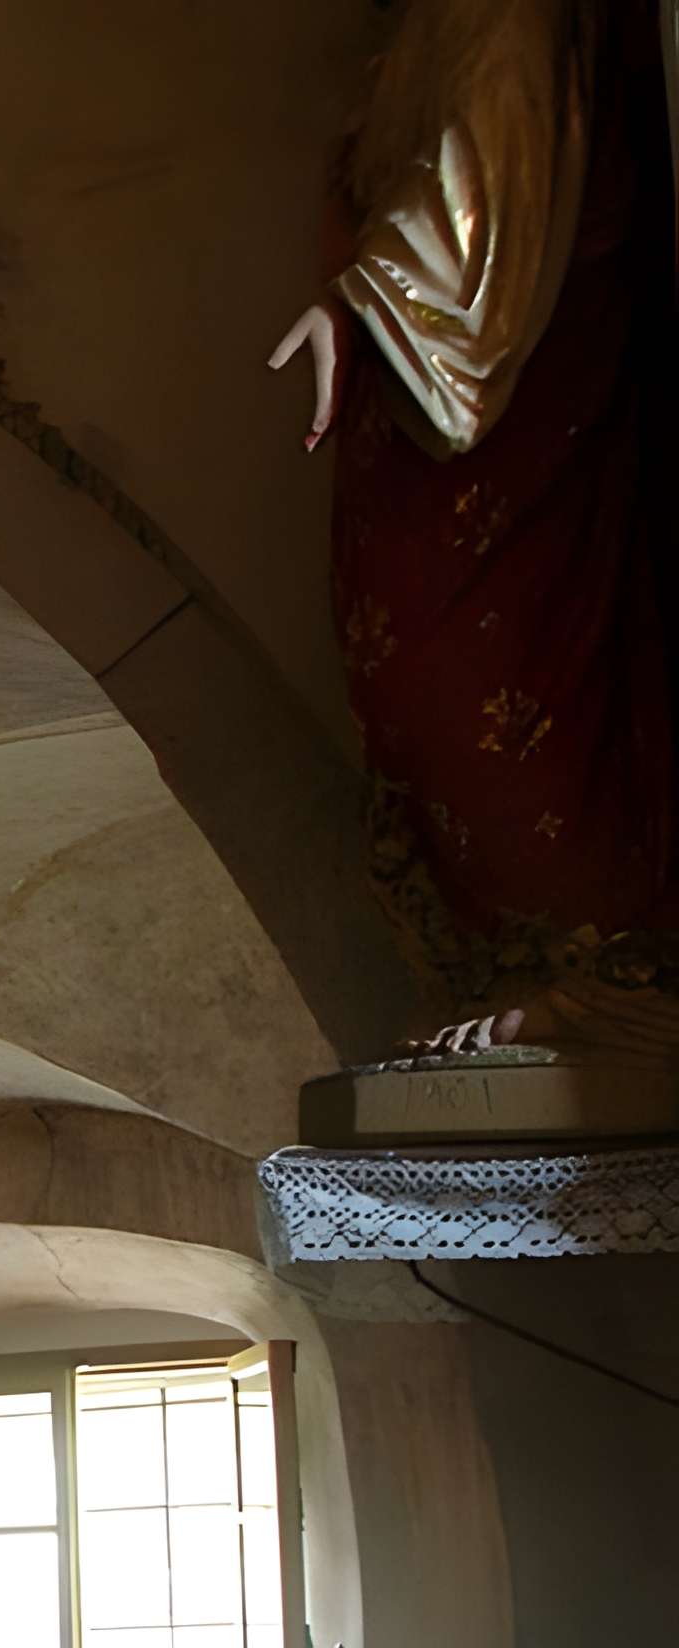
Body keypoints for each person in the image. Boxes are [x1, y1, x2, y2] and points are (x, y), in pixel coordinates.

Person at [269, 0, 679, 1061]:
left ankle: (604, 964)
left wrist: (367, 301)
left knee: (492, 668)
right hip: (406, 397)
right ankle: (510, 953)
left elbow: (496, 157)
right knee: (401, 672)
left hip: (510, 392)